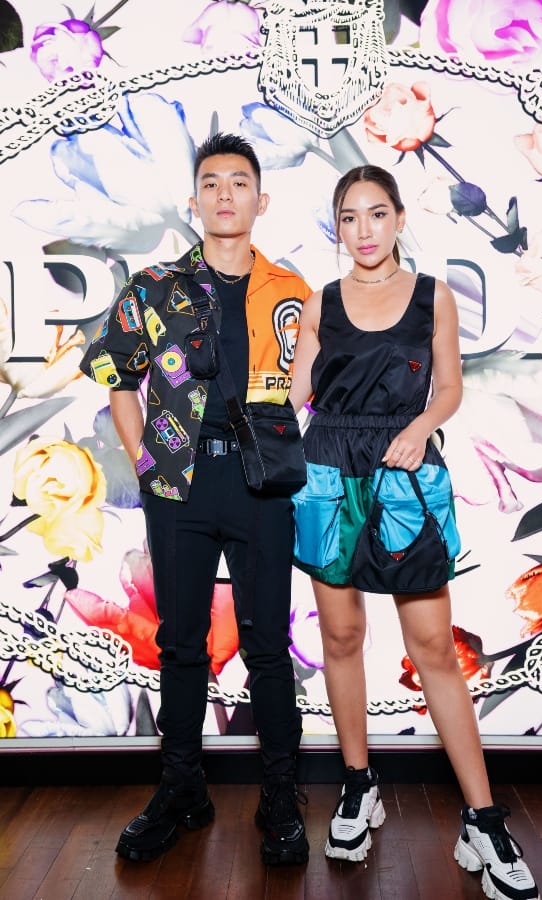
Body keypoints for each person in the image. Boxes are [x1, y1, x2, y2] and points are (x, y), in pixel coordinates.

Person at [289, 165, 539, 900]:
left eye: (376, 214)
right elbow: (296, 389)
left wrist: (421, 426)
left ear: (399, 218)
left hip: (404, 469)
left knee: (433, 647)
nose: (363, 230)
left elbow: (450, 387)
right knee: (340, 638)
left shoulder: (434, 295)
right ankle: (358, 785)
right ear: (338, 227)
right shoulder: (322, 300)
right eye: (349, 217)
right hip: (329, 468)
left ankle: (483, 819)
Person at [80, 132, 312, 866]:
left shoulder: (293, 291)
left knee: (268, 647)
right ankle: (181, 789)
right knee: (181, 644)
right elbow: (116, 375)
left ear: (260, 200)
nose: (224, 194)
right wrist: (146, 460)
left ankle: (281, 796)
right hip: (179, 486)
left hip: (260, 484)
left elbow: (311, 384)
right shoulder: (154, 287)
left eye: (238, 182)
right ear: (194, 200)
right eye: (211, 183)